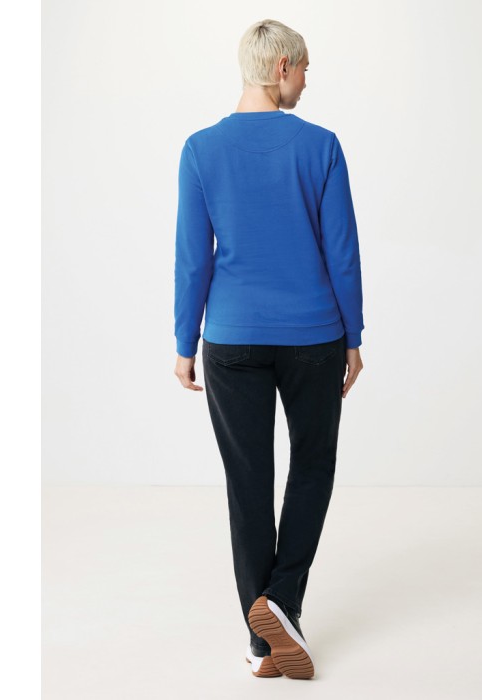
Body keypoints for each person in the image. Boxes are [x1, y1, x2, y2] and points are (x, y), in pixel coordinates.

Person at [173, 18, 364, 680]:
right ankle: (281, 604)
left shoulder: (200, 149)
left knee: (248, 483)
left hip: (231, 339)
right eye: (304, 68)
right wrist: (354, 336)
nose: (307, 81)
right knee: (312, 467)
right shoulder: (321, 147)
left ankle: (264, 641)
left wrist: (184, 341)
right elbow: (342, 251)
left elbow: (193, 258)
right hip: (314, 337)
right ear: (281, 66)